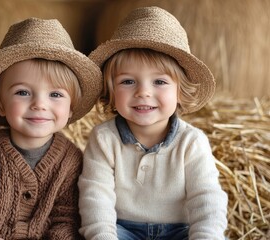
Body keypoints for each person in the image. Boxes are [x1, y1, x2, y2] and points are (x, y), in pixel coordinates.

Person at [0, 17, 102, 240]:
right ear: (1, 104)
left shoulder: (72, 160)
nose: (39, 104)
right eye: (22, 92)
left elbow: (67, 218)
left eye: (55, 95)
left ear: (71, 109)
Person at [78, 6, 228, 240]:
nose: (143, 92)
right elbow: (96, 197)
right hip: (122, 230)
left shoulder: (191, 142)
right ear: (111, 91)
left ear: (180, 91)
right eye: (128, 81)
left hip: (179, 230)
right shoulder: (104, 138)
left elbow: (206, 199)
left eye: (159, 81)